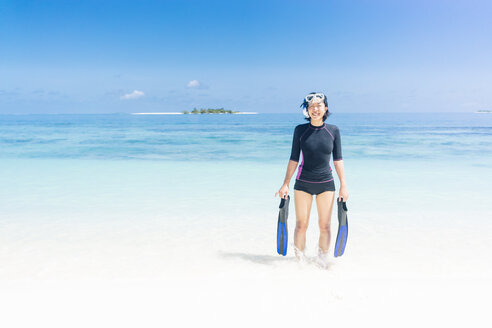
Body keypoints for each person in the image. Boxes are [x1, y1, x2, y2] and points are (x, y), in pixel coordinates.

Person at [275, 92, 348, 268]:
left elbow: (338, 160)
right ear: (307, 110)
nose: (315, 109)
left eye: (319, 105)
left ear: (326, 108)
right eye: (311, 106)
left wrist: (343, 186)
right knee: (301, 225)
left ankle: (322, 263)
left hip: (326, 184)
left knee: (325, 226)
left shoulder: (333, 131)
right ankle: (300, 263)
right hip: (303, 184)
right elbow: (294, 158)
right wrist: (285, 183)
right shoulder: (300, 130)